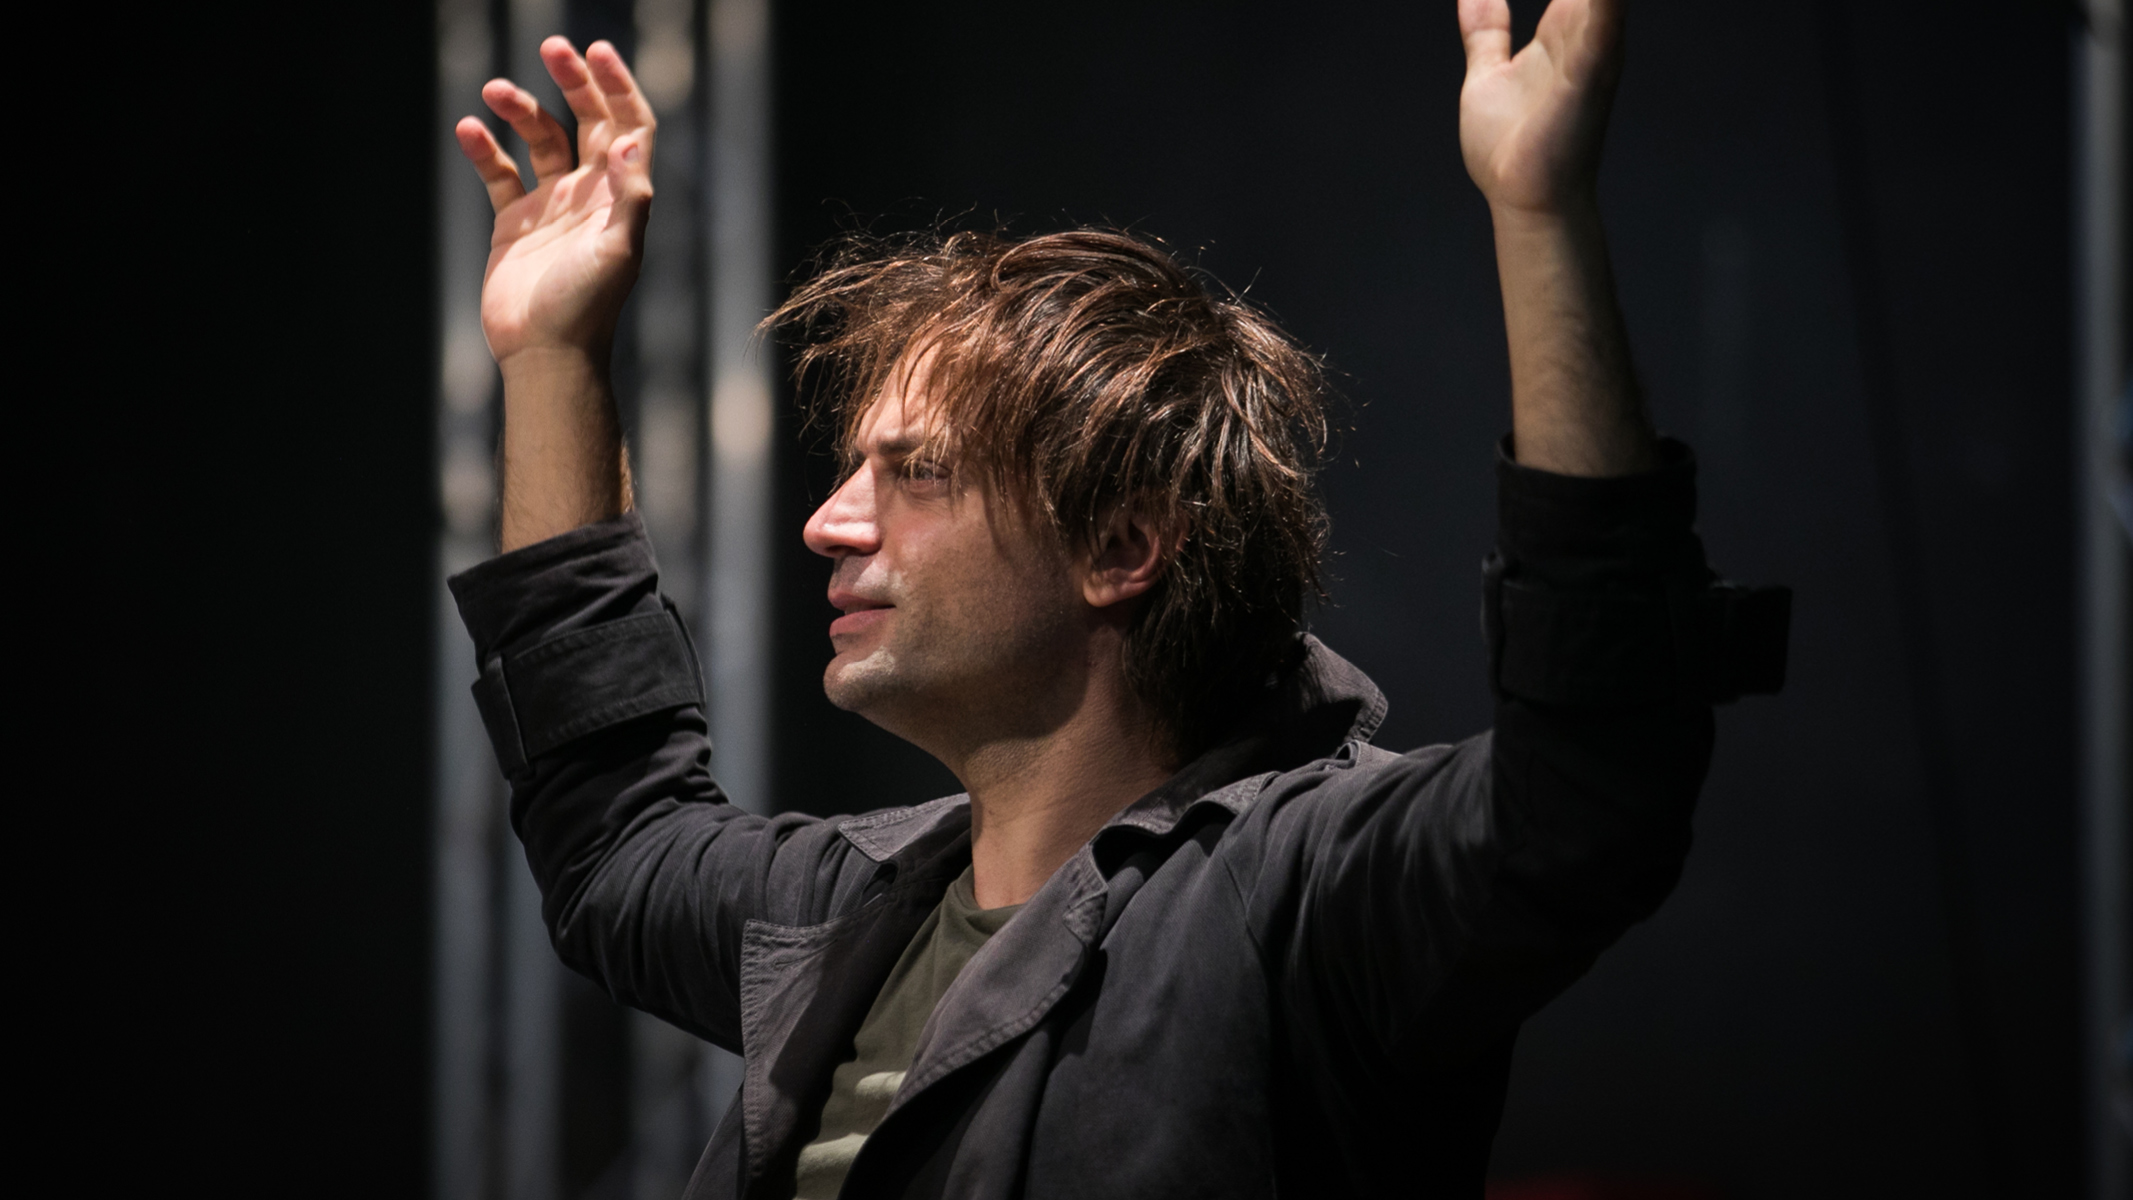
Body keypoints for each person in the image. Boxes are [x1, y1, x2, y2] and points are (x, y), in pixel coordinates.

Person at [446, 1, 1788, 1196]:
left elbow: (1589, 781)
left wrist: (1540, 219)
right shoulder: (855, 907)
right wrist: (553, 356)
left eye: (916, 474)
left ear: (1121, 547)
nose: (829, 521)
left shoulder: (1297, 890)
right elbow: (614, 839)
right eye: (853, 470)